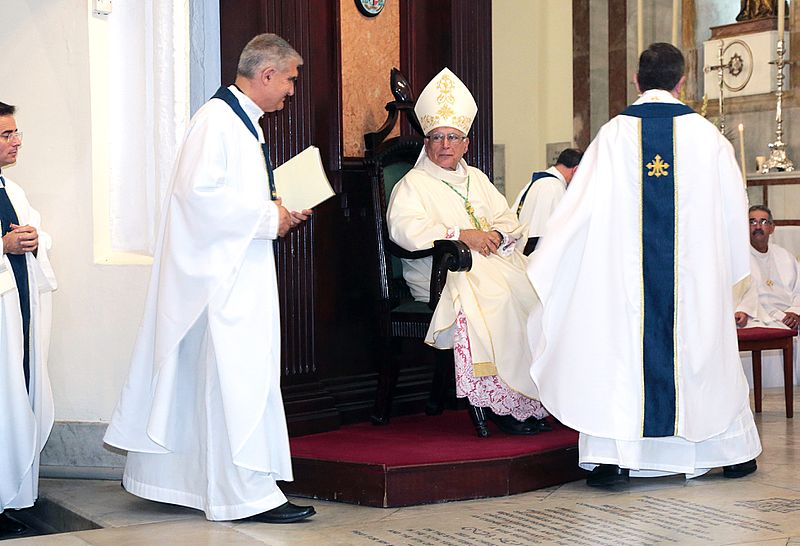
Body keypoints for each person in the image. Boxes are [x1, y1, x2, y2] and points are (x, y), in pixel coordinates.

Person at [527, 43, 761, 487]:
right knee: (700, 354)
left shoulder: (612, 136)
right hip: (691, 289)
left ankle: (614, 460)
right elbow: (734, 216)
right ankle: (729, 453)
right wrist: (721, 272)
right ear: (682, 81)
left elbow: (575, 215)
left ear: (636, 81)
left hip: (625, 289)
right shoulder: (709, 138)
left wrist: (549, 260)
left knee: (620, 355)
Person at [103, 34, 315, 523]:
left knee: (227, 385)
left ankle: (205, 486)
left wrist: (277, 208)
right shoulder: (216, 122)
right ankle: (243, 495)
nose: (290, 91)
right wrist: (269, 218)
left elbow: (227, 193)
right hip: (222, 288)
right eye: (289, 80)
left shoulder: (240, 124)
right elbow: (198, 198)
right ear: (265, 75)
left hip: (235, 276)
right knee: (233, 386)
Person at [387, 68, 549, 436]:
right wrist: (462, 235)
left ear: (466, 143)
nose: (445, 144)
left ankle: (528, 398)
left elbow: (510, 219)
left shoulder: (477, 178)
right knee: (499, 295)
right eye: (437, 137)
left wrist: (494, 233)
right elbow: (405, 230)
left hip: (489, 267)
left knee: (536, 291)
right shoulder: (414, 183)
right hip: (440, 275)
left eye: (453, 137)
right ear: (426, 142)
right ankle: (498, 403)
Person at [0, 102, 57, 537]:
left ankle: (9, 499)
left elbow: (37, 235)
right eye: (7, 135)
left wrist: (35, 240)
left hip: (16, 315)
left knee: (15, 399)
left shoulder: (13, 191)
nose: (17, 141)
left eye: (16, 133)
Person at [735, 205, 800, 329]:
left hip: (789, 315)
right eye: (752, 222)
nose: (758, 226)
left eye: (763, 222)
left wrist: (795, 312)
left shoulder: (785, 256)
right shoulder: (739, 258)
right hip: (756, 317)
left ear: (772, 228)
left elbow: (798, 290)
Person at [512, 148, 583, 253]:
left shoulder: (538, 182)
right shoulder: (554, 188)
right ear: (576, 170)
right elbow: (550, 237)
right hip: (534, 258)